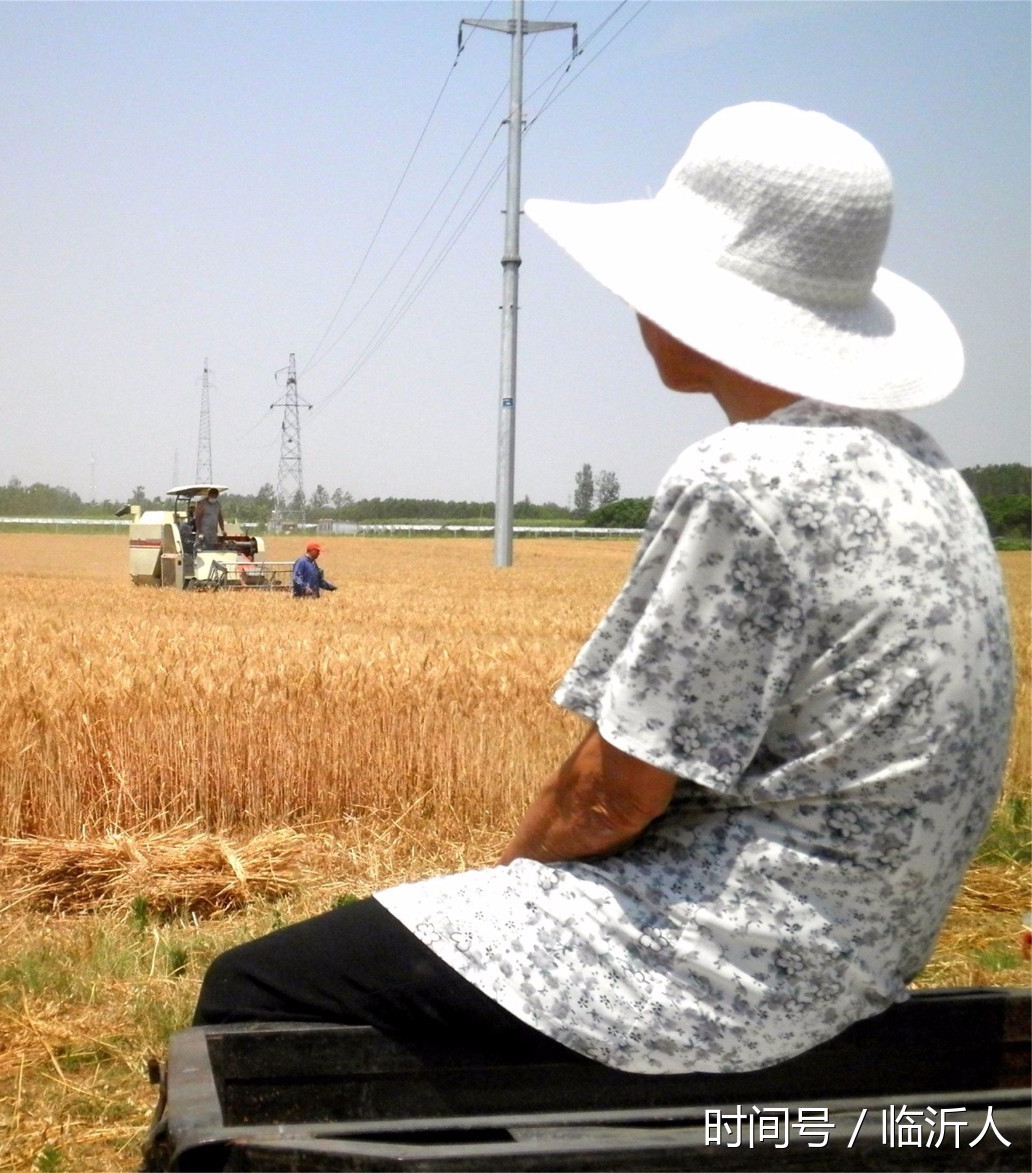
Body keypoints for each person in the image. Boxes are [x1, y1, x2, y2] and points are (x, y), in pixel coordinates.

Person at [194, 102, 1014, 1075]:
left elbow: (608, 798)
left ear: (705, 304)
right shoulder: (928, 474)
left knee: (252, 992)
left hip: (725, 969)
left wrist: (501, 902)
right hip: (857, 957)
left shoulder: (746, 480)